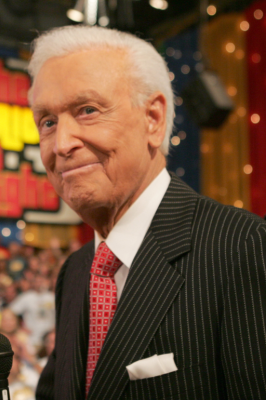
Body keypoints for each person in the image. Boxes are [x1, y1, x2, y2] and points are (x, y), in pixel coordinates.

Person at [29, 26, 266, 400]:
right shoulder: (76, 272)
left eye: (87, 110)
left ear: (153, 119)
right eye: (47, 122)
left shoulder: (242, 248)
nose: (61, 144)